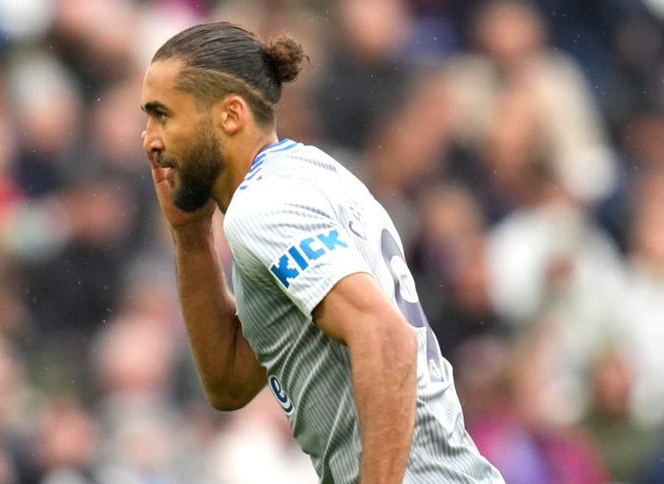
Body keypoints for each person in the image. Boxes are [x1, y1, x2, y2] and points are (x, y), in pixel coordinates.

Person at [140, 22, 505, 483]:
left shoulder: (263, 206)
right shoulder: (314, 174)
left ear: (230, 115)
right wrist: (191, 234)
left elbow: (386, 337)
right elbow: (230, 383)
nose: (149, 139)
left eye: (163, 115)